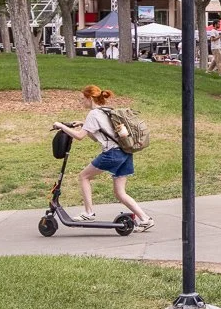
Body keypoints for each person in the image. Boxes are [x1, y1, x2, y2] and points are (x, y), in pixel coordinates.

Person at [52, 85, 155, 230]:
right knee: (120, 192)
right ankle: (145, 219)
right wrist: (84, 124)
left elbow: (79, 136)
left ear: (89, 98)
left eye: (83, 99)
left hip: (112, 154)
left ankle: (88, 213)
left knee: (83, 177)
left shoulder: (93, 114)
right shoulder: (107, 110)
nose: (82, 102)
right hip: (125, 153)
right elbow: (97, 136)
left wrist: (61, 126)